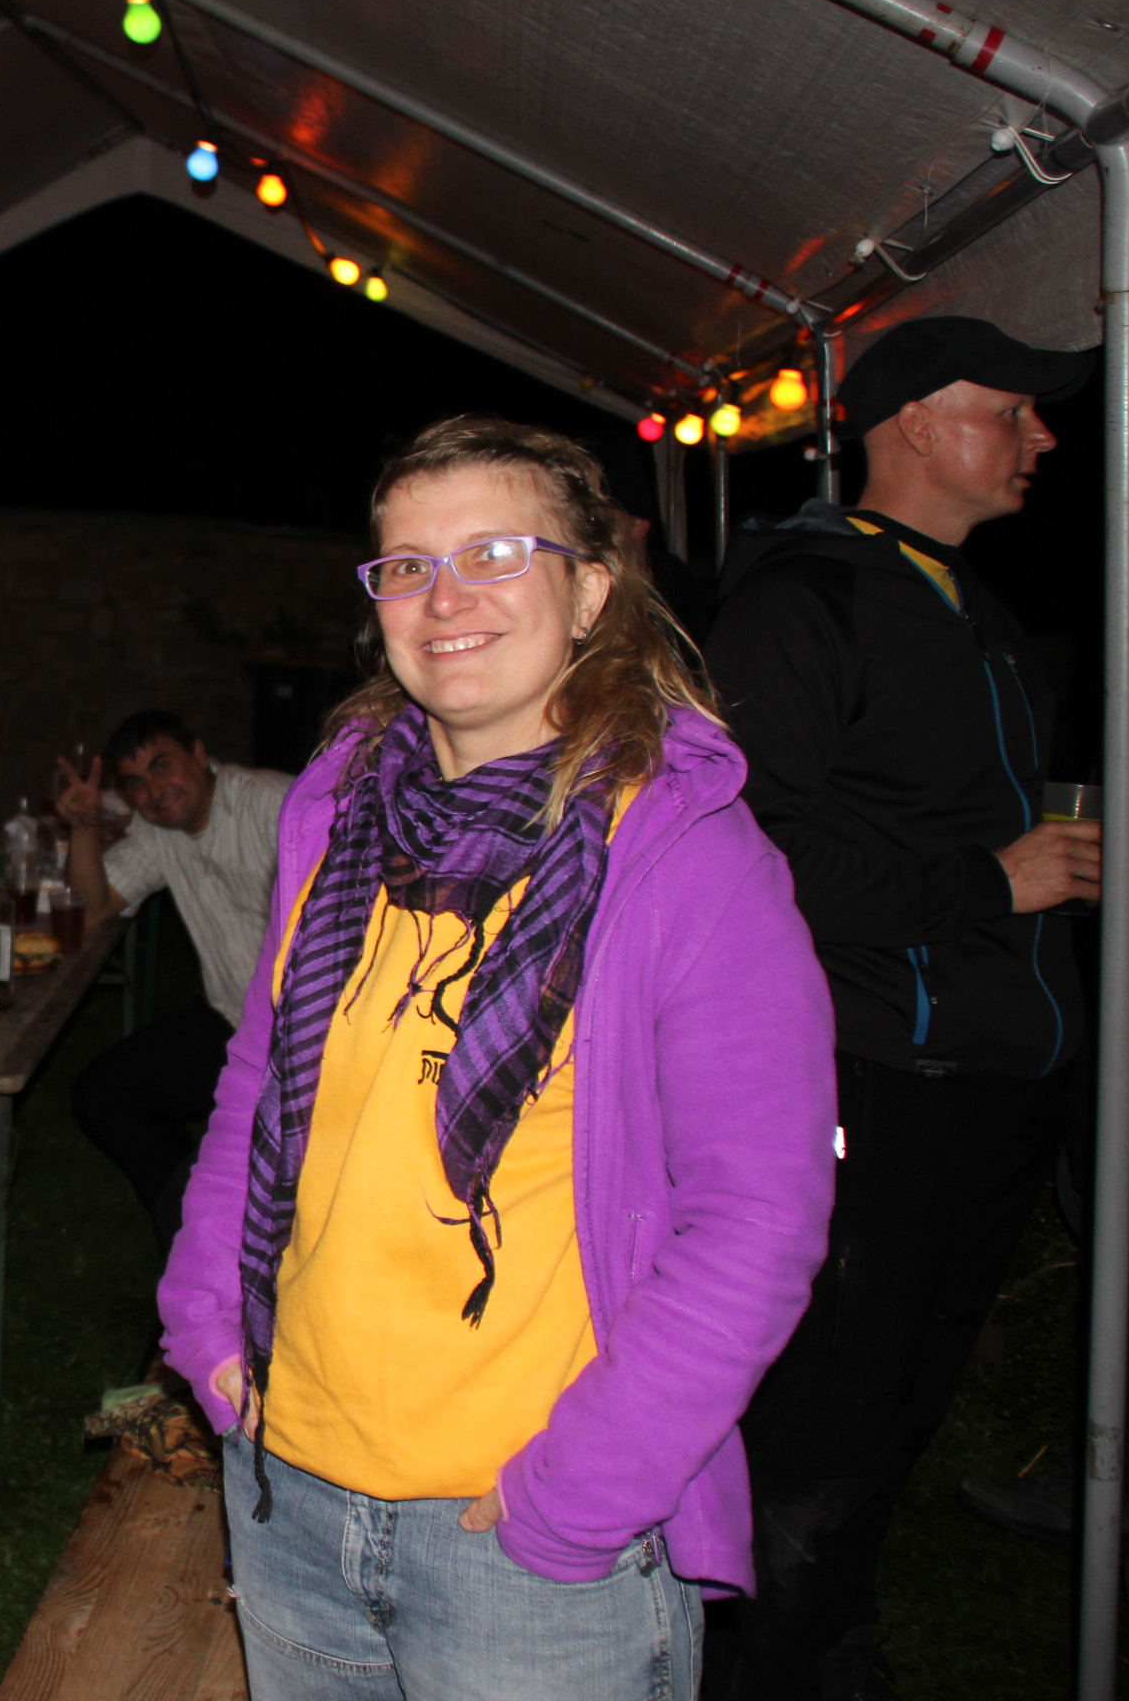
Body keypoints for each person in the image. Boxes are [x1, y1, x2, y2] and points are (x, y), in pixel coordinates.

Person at [160, 415, 837, 1699]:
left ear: (590, 592)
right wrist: (204, 1316)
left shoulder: (690, 860)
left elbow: (757, 1217)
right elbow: (260, 1081)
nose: (444, 597)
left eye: (494, 555)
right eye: (407, 566)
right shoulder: (340, 818)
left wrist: (579, 1493)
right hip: (289, 1488)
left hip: (522, 1546)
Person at [707, 316, 1096, 1698]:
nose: (1043, 435)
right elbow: (751, 851)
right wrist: (987, 883)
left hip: (993, 1087)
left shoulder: (970, 605)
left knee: (901, 1410)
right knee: (828, 1418)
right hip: (878, 1081)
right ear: (919, 424)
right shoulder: (801, 605)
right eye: (1014, 409)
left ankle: (830, 1644)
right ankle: (757, 1667)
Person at [56, 710, 289, 1251]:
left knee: (263, 1160)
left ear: (200, 755)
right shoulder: (158, 831)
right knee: (102, 1095)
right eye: (136, 782)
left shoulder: (275, 806)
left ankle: (212, 1232)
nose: (153, 791)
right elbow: (90, 911)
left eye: (162, 766)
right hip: (234, 1020)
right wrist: (84, 827)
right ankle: (195, 1223)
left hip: (305, 1040)